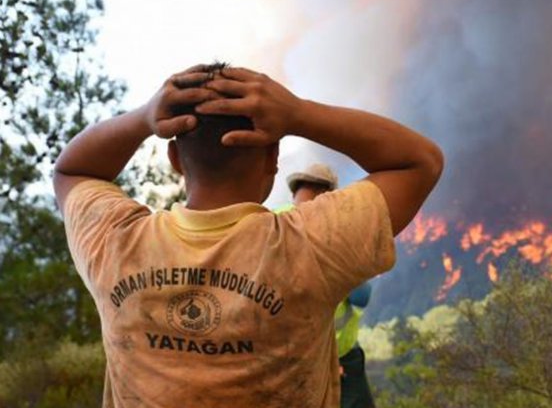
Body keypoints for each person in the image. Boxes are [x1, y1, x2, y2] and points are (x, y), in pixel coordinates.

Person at [53, 63, 443, 407]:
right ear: (273, 158)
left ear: (174, 160)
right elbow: (418, 162)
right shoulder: (311, 245)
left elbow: (72, 170)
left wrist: (141, 119)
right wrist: (299, 114)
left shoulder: (116, 242)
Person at [282, 164, 376, 408]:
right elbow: (361, 296)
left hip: (294, 361)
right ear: (328, 198)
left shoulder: (273, 224)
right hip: (329, 360)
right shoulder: (336, 234)